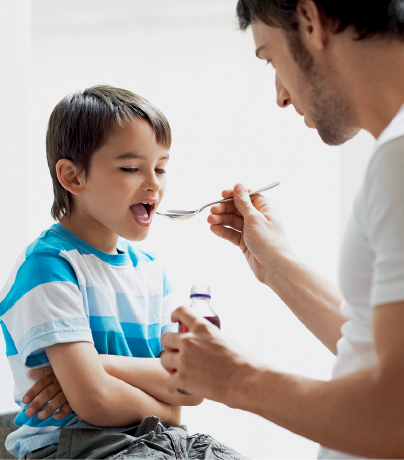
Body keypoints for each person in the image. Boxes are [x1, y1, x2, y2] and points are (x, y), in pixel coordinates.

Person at [160, 1, 404, 459]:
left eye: (271, 58)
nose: (280, 95)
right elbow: (391, 347)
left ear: (310, 20)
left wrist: (235, 378)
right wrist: (278, 265)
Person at [0, 86, 250, 460]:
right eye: (131, 168)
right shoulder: (48, 266)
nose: (154, 183)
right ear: (72, 177)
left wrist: (96, 366)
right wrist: (165, 409)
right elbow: (97, 401)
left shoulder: (150, 271)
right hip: (76, 448)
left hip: (155, 441)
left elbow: (190, 388)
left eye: (161, 167)